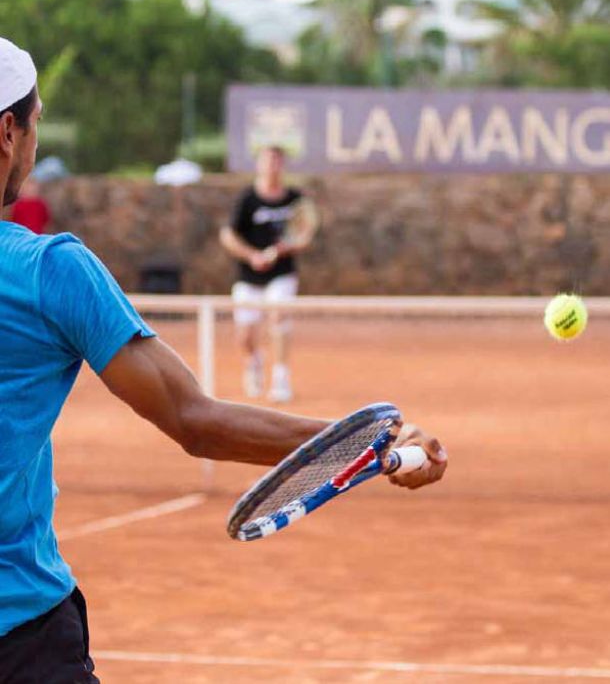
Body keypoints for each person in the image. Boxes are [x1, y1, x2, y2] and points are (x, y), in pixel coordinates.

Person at [0, 37, 448, 683]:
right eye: (36, 122)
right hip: (23, 637)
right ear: (8, 132)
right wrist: (375, 443)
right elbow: (194, 418)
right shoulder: (49, 271)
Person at [220, 145, 312, 403]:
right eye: (267, 160)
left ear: (282, 165)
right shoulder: (247, 198)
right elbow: (228, 235)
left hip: (282, 273)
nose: (272, 165)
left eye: (277, 161)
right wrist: (251, 256)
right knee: (245, 334)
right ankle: (254, 363)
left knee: (278, 316)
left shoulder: (294, 198)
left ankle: (280, 379)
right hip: (248, 276)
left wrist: (288, 247)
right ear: (259, 165)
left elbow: (304, 234)